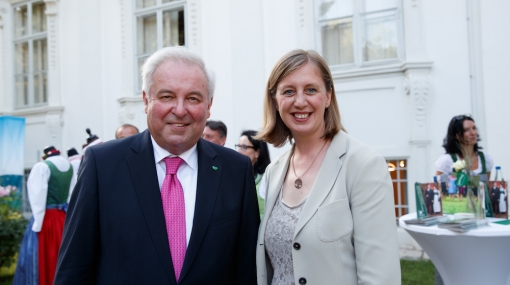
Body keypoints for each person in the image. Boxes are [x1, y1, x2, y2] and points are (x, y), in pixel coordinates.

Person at [54, 46, 260, 285]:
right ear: (145, 100)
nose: (180, 110)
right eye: (167, 96)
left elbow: (247, 268)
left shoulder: (236, 169)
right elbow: (74, 267)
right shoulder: (102, 165)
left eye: (193, 98)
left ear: (208, 105)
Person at [255, 49, 400, 285]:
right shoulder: (274, 171)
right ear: (275, 100)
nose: (300, 101)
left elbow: (381, 277)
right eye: (288, 91)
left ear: (328, 96)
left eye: (311, 89)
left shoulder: (363, 164)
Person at [14, 146, 73, 285]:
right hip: (64, 217)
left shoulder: (42, 167)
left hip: (46, 219)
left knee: (45, 255)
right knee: (63, 252)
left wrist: (37, 222)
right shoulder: (69, 166)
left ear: (46, 155)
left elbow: (37, 197)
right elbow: (71, 193)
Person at [435, 115, 494, 211]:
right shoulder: (447, 161)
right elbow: (439, 190)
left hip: (481, 212)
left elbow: (486, 188)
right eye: (467, 130)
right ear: (456, 135)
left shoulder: (485, 159)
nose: (473, 133)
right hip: (456, 213)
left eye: (474, 128)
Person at [236, 130, 271, 219]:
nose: (238, 151)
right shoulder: (236, 176)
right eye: (238, 146)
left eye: (244, 147)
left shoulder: (267, 178)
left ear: (257, 153)